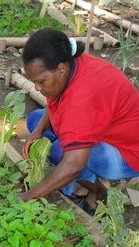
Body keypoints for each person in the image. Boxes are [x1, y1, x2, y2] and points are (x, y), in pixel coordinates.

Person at [16, 28, 139, 215]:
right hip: (103, 129)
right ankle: (88, 181)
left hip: (129, 151)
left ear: (61, 69)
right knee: (34, 121)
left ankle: (98, 191)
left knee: (60, 151)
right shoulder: (70, 64)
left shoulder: (82, 99)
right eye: (34, 81)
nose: (37, 87)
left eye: (41, 81)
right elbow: (54, 103)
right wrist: (38, 130)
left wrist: (28, 196)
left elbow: (73, 164)